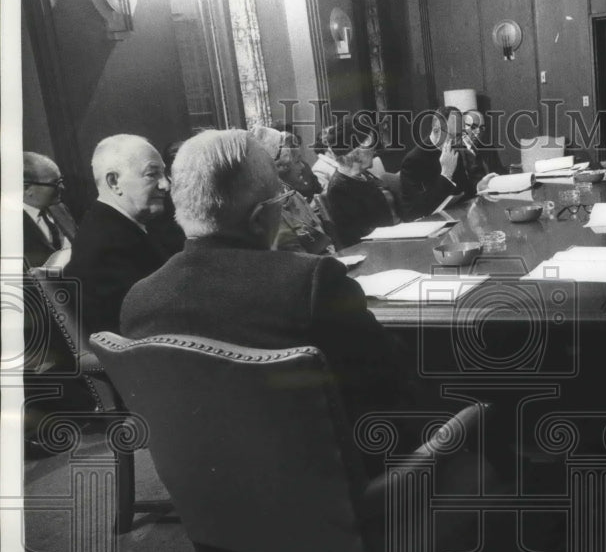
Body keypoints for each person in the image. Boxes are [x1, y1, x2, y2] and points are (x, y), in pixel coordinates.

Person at [119, 129, 417, 442]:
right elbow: (390, 378)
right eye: (281, 200)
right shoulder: (312, 283)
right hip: (343, 478)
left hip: (203, 487)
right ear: (260, 218)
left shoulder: (138, 302)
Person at [64, 134, 178, 334]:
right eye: (152, 174)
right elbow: (141, 325)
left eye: (165, 174)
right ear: (114, 182)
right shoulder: (104, 246)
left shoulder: (126, 227)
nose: (165, 185)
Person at [250, 126, 336, 254]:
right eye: (297, 161)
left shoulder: (294, 196)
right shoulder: (265, 210)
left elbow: (322, 239)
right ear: (278, 168)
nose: (303, 166)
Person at [399, 106, 492, 221]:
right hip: (430, 226)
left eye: (459, 135)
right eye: (453, 136)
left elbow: (464, 191)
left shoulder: (454, 149)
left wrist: (479, 186)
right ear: (436, 130)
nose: (457, 142)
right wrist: (446, 175)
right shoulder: (413, 160)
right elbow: (414, 211)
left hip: (455, 220)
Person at [320, 120, 394, 248]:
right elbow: (357, 238)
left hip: (392, 241)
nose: (374, 149)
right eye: (369, 143)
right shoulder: (339, 189)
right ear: (356, 151)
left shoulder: (363, 176)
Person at [23, 152, 76, 269]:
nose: (62, 187)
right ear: (26, 188)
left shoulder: (60, 209)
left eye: (61, 181)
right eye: (55, 183)